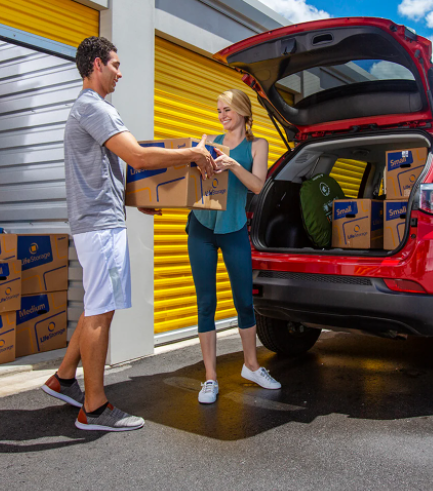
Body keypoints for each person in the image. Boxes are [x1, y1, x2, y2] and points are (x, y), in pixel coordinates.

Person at [41, 36, 216, 431]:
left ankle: (64, 379)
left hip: (100, 222)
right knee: (102, 311)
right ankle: (95, 408)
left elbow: (106, 172)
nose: (121, 72)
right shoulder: (93, 107)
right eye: (116, 64)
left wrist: (137, 201)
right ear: (96, 65)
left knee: (96, 304)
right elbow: (136, 155)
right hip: (100, 228)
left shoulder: (92, 110)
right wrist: (193, 153)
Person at [188, 89, 281, 404]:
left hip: (234, 228)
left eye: (227, 109)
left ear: (243, 111)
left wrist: (231, 165)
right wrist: (196, 157)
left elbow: (258, 186)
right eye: (218, 110)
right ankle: (211, 378)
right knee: (205, 303)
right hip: (201, 226)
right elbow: (193, 180)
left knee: (244, 300)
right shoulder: (209, 141)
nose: (222, 115)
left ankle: (251, 366)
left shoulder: (257, 145)